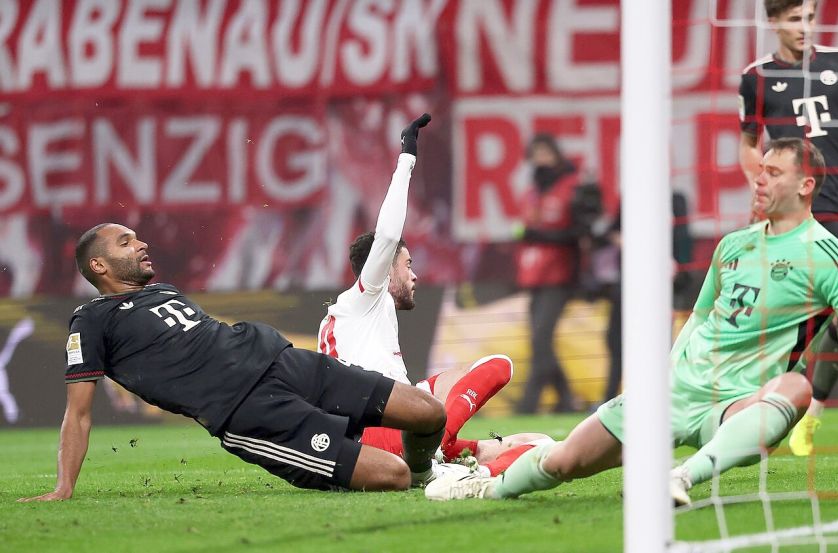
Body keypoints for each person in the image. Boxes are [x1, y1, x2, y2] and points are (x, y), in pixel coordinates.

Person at [424, 138, 838, 504]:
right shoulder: (732, 246)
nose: (759, 180)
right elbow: (698, 319)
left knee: (796, 388)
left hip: (738, 403)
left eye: (774, 173)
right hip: (680, 388)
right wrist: (663, 378)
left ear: (806, 186)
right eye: (759, 170)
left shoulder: (830, 256)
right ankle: (482, 485)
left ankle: (682, 475)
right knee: (564, 462)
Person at [18, 120, 459, 502]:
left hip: (283, 361)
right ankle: (390, 471)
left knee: (429, 413)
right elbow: (78, 412)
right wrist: (64, 486)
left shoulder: (163, 291)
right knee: (392, 475)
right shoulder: (91, 320)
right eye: (125, 242)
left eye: (136, 237)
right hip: (250, 411)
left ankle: (427, 473)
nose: (141, 243)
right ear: (99, 266)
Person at [317, 114, 551, 477]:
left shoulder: (358, 319)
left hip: (381, 434)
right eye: (407, 265)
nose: (415, 275)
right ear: (385, 268)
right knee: (498, 364)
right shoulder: (365, 296)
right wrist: (407, 158)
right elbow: (388, 235)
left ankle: (465, 470)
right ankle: (438, 448)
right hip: (374, 437)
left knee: (540, 444)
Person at [738, 0, 838, 456]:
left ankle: (809, 415)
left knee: (835, 316)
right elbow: (749, 145)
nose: (805, 27)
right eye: (794, 19)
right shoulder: (757, 77)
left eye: (809, 17)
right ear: (774, 22)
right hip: (805, 205)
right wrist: (762, 186)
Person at [514, 134, 583, 414]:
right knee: (539, 340)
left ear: (556, 154)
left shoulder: (572, 186)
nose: (541, 159)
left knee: (540, 339)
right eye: (536, 154)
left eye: (545, 153)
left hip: (560, 276)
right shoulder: (532, 191)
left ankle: (527, 405)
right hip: (535, 276)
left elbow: (578, 232)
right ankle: (567, 400)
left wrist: (540, 235)